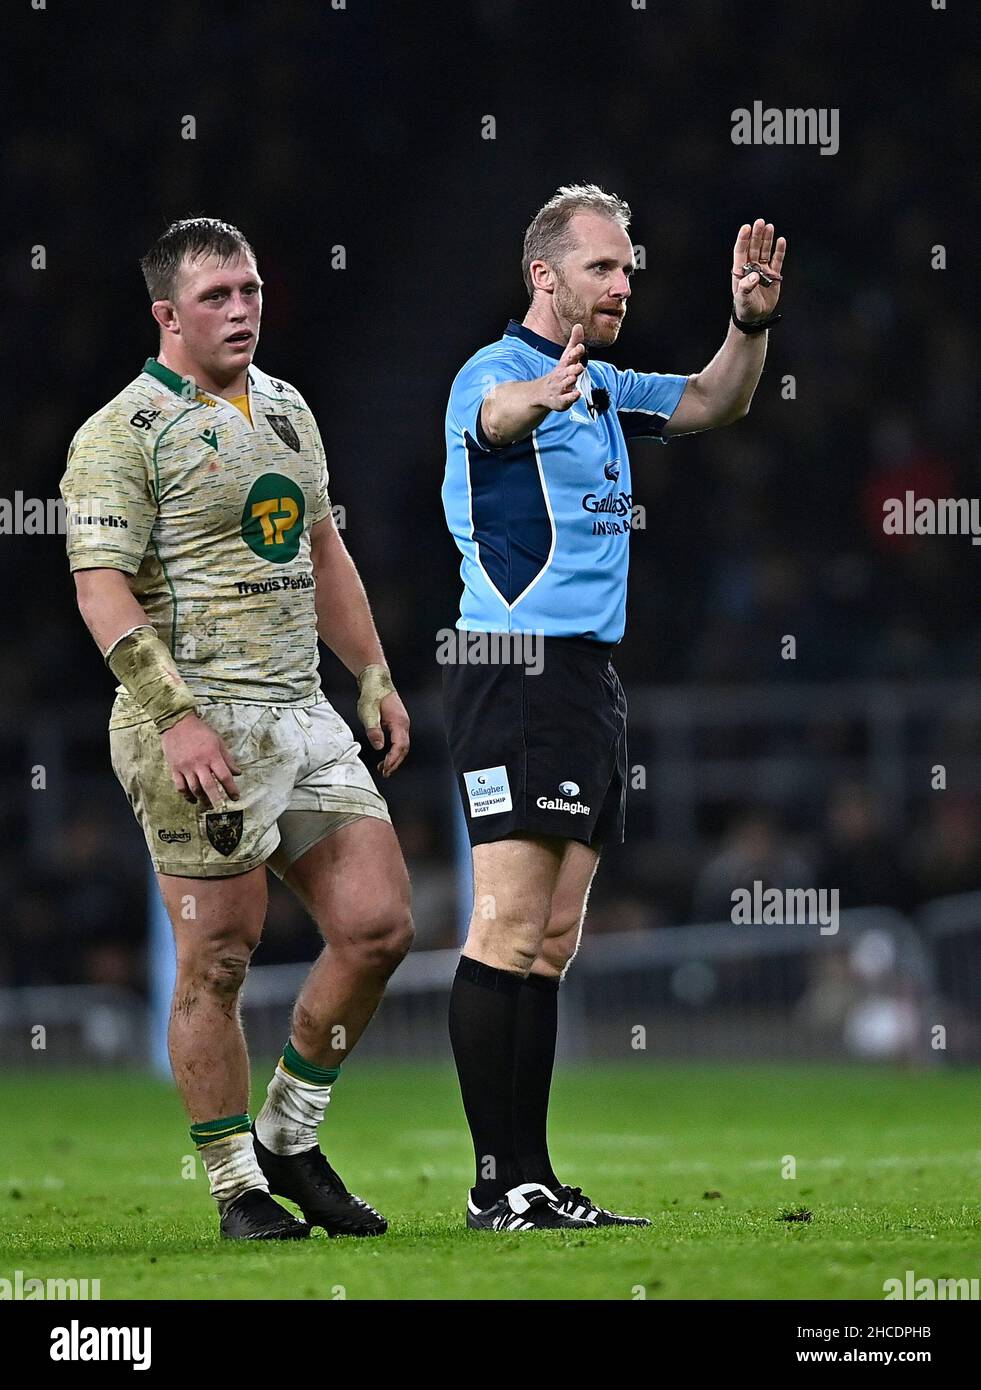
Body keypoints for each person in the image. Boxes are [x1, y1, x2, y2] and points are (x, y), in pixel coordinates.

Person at [60, 218, 413, 1240]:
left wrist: (375, 672)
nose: (242, 309)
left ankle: (290, 1138)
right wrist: (176, 722)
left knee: (380, 924)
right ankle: (234, 1188)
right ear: (168, 314)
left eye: (251, 289)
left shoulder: (290, 407)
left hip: (301, 712)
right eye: (217, 296)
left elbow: (323, 548)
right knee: (220, 959)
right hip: (198, 722)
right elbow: (100, 593)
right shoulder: (118, 434)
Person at [441, 184, 786, 1230]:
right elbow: (493, 421)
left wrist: (750, 326)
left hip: (589, 676)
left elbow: (714, 400)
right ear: (545, 276)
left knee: (551, 938)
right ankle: (496, 1182)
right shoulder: (497, 375)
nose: (623, 283)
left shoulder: (603, 386)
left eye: (628, 267)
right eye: (602, 267)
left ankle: (532, 1177)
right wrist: (532, 400)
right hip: (516, 665)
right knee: (502, 924)